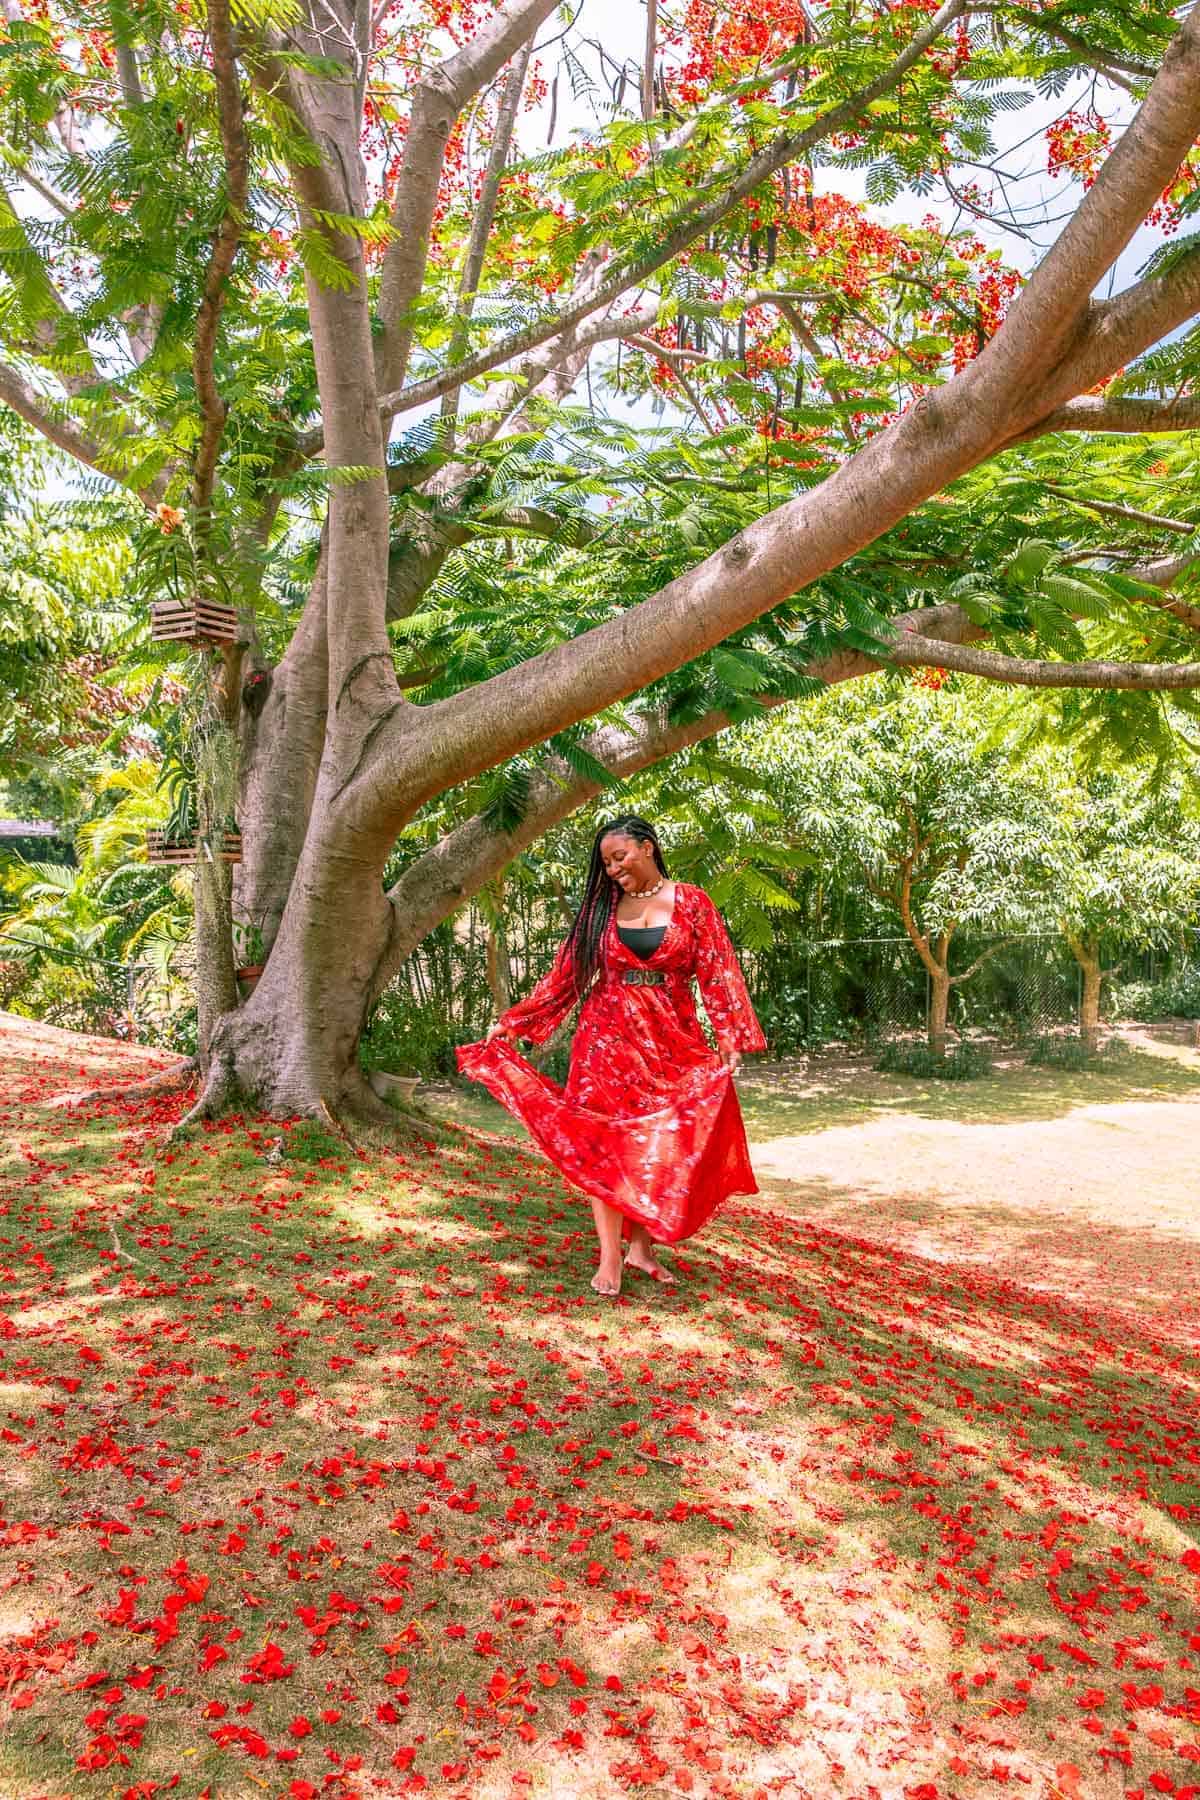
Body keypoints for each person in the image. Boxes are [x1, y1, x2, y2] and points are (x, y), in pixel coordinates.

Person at [456, 814, 766, 1297]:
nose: (612, 869)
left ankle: (640, 1250)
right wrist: (515, 1021)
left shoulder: (693, 903)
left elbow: (718, 969)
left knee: (654, 1143)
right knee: (606, 1142)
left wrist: (729, 1034)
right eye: (605, 862)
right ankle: (609, 1259)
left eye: (619, 857)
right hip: (606, 1038)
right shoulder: (600, 911)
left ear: (647, 847)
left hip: (671, 1039)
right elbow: (566, 976)